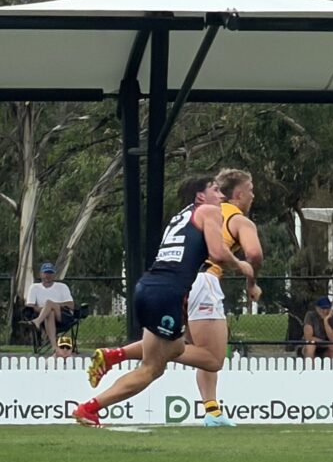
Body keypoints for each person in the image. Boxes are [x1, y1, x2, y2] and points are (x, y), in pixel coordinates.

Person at [74, 174, 255, 426]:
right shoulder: (210, 211)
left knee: (171, 350)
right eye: (215, 190)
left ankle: (109, 366)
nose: (221, 195)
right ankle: (90, 406)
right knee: (171, 364)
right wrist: (241, 265)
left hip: (147, 287)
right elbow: (217, 253)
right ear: (200, 196)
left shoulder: (181, 216)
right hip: (169, 293)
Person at [24, 262, 76, 348]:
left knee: (49, 303)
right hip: (44, 316)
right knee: (50, 312)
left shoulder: (62, 287)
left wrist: (53, 305)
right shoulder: (34, 287)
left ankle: (37, 322)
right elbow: (30, 307)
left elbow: (71, 305)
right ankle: (55, 348)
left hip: (63, 316)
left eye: (50, 273)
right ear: (41, 274)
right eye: (45, 273)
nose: (47, 276)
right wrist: (46, 309)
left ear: (54, 275)